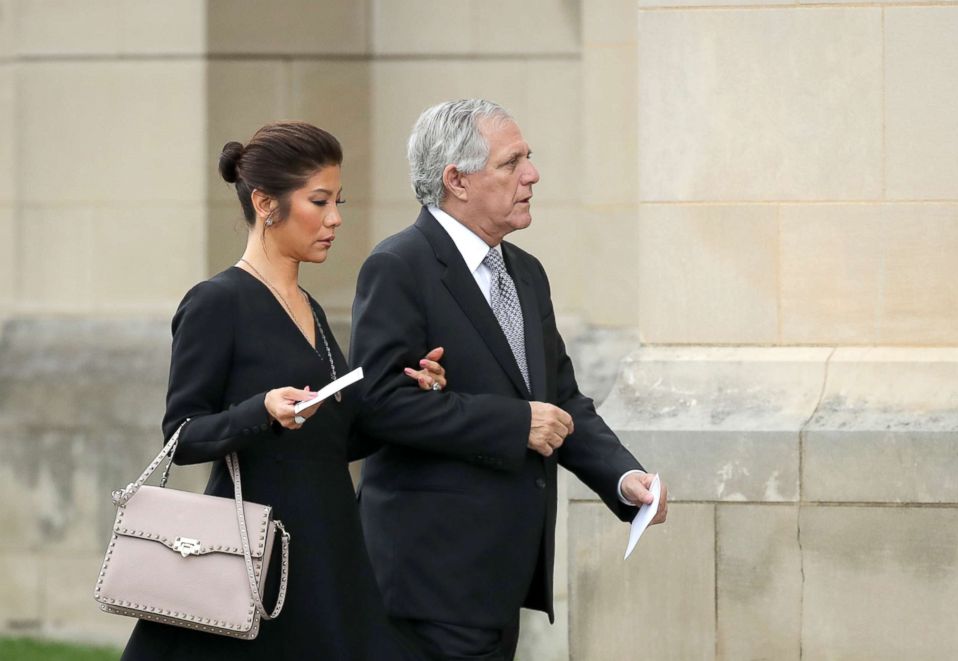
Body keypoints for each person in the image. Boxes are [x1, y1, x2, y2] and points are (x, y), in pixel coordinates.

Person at [350, 99, 669, 661]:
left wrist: (624, 479)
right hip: (428, 581)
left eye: (529, 157)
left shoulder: (524, 271)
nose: (532, 174)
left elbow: (561, 399)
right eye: (511, 162)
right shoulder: (399, 265)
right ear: (457, 180)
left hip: (500, 581)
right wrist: (515, 422)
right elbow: (377, 405)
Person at [122, 122, 441, 660]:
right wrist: (261, 410)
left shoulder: (311, 307)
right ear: (266, 204)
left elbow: (334, 439)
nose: (336, 218)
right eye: (319, 201)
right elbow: (182, 436)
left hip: (329, 550)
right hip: (254, 560)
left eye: (339, 201)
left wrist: (413, 388)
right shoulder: (216, 301)